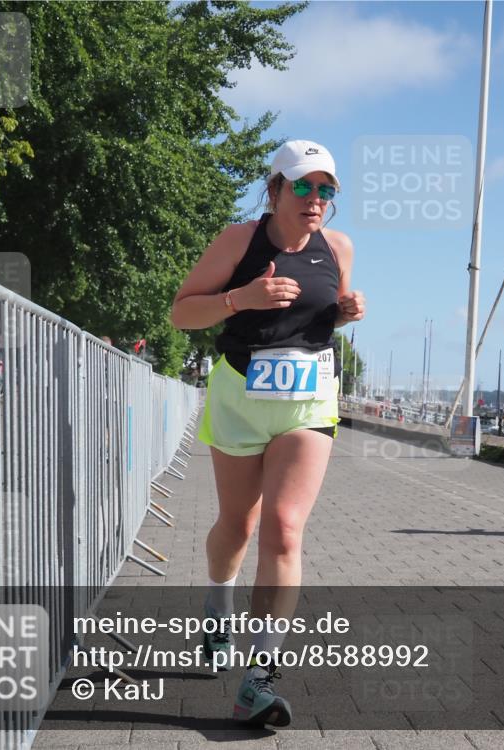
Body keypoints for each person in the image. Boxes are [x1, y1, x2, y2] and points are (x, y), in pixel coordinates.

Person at [169, 140, 365, 726]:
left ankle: (259, 679)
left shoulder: (339, 248)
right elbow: (181, 312)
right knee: (239, 524)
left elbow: (323, 316)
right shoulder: (238, 241)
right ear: (275, 188)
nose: (316, 200)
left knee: (283, 529)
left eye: (326, 190)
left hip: (308, 401)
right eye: (303, 186)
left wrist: (346, 313)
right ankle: (216, 603)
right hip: (239, 396)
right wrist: (241, 298)